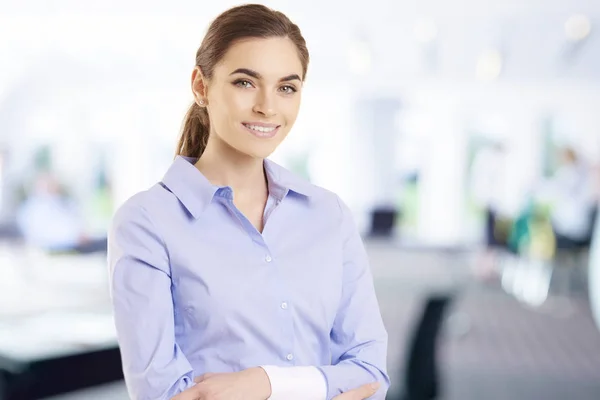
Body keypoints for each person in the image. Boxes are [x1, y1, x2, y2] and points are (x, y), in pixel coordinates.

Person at [108, 4, 389, 400]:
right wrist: (320, 387)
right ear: (201, 87)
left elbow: (371, 376)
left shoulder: (329, 216)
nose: (268, 106)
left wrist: (264, 384)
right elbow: (163, 394)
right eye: (245, 82)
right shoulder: (146, 223)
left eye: (286, 88)